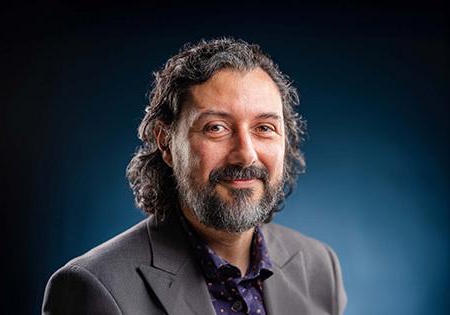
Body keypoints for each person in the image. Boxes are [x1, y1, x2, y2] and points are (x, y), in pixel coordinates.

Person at [42, 37, 347, 315]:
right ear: (166, 143)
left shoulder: (320, 266)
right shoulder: (93, 288)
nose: (246, 154)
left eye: (264, 128)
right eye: (216, 127)